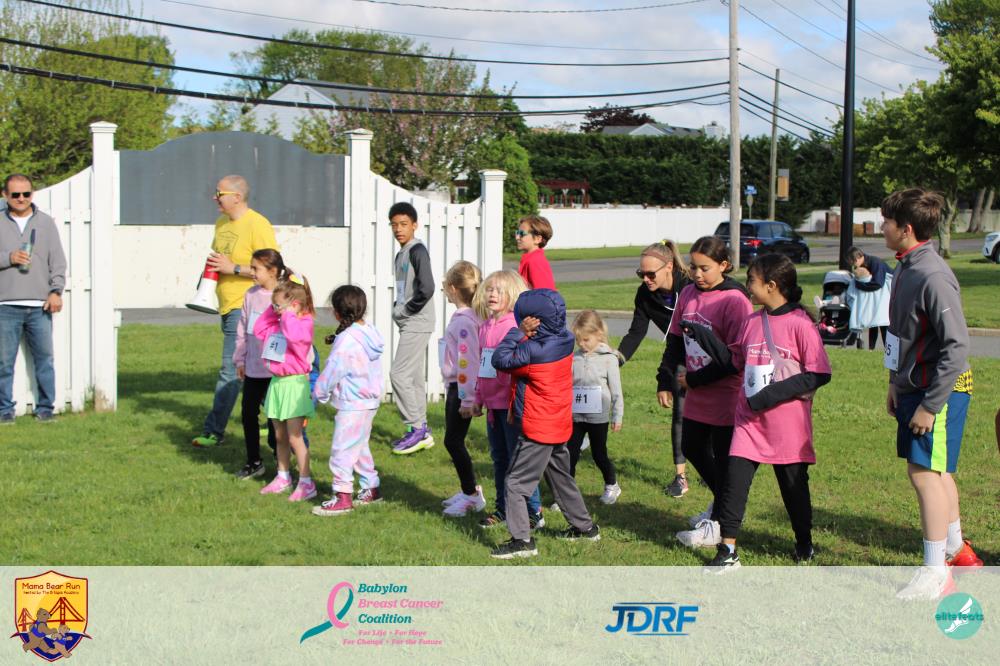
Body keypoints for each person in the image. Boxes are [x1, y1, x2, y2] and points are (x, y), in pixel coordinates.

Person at [881, 189, 982, 600]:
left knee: (923, 474)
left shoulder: (932, 275)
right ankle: (958, 553)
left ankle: (935, 571)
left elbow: (956, 346)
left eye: (887, 221)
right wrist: (894, 381)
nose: (881, 227)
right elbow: (900, 332)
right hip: (914, 386)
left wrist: (929, 405)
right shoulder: (907, 266)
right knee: (937, 472)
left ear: (905, 229)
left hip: (936, 390)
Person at [706, 255, 832, 573]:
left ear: (772, 286)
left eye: (752, 280)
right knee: (733, 484)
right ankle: (727, 549)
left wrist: (772, 394)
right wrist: (704, 339)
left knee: (793, 490)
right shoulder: (751, 322)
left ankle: (804, 542)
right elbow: (734, 362)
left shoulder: (800, 324)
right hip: (748, 422)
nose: (747, 285)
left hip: (787, 427)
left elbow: (819, 373)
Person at [490, 289, 599, 559]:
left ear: (532, 321)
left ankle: (522, 541)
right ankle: (585, 528)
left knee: (515, 483)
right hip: (558, 423)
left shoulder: (531, 351)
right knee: (560, 478)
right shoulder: (566, 339)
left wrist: (518, 332)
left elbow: (500, 359)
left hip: (537, 429)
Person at [664, 236, 753, 549]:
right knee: (691, 445)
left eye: (705, 268)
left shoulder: (735, 300)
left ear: (724, 265)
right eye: (693, 267)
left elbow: (735, 360)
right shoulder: (688, 292)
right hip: (696, 391)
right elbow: (676, 338)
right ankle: (725, 505)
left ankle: (719, 523)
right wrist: (665, 377)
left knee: (726, 462)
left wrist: (696, 379)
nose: (697, 274)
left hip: (726, 394)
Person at [192, 175, 277, 448]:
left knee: (230, 370)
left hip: (249, 307)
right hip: (226, 306)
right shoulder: (221, 223)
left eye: (220, 193)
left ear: (237, 197)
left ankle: (213, 432)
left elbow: (272, 269)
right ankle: (277, 419)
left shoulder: (258, 224)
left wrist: (234, 268)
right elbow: (218, 261)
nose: (215, 197)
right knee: (255, 367)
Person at [471, 270, 543, 530]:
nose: (492, 294)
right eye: (490, 289)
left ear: (512, 295)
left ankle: (533, 511)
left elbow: (520, 364)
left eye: (499, 290)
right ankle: (503, 508)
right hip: (493, 407)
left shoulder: (515, 326)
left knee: (518, 460)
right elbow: (482, 366)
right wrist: (478, 397)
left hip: (512, 406)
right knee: (499, 459)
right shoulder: (484, 327)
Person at [618, 240, 691, 498]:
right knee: (680, 413)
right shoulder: (645, 294)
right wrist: (615, 360)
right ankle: (681, 477)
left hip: (707, 356)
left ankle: (715, 466)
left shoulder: (689, 287)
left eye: (651, 274)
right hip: (678, 355)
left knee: (710, 418)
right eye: (642, 274)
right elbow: (636, 333)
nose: (646, 279)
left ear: (669, 266)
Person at [312, 286, 385, 516]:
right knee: (359, 445)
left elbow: (334, 370)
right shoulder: (369, 332)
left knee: (342, 449)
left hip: (353, 403)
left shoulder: (346, 340)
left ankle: (342, 495)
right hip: (369, 401)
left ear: (336, 312)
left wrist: (319, 393)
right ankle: (370, 487)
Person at [0, 174, 66, 424]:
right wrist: (9, 258)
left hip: (40, 306)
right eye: (15, 194)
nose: (21, 199)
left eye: (26, 194)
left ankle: (46, 409)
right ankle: (4, 411)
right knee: (3, 363)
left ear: (32, 194)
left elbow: (57, 262)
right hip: (5, 305)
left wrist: (56, 291)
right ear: (5, 195)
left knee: (45, 361)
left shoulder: (46, 223)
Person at [253, 273, 316, 502]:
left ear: (295, 305)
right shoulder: (278, 321)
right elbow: (259, 329)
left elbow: (296, 338)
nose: (275, 310)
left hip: (294, 384)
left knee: (294, 437)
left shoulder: (304, 323)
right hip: (278, 383)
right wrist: (276, 309)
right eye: (274, 306)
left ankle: (306, 482)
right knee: (279, 436)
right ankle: (283, 476)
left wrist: (288, 314)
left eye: (278, 306)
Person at [438, 261, 488, 517]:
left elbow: (468, 362)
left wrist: (468, 399)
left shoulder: (464, 322)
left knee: (453, 441)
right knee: (453, 440)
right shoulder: (469, 317)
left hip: (461, 388)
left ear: (453, 289)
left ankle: (471, 495)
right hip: (458, 386)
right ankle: (468, 490)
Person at [232, 249, 285, 479]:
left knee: (276, 419)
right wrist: (240, 359)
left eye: (256, 268)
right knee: (248, 414)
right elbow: (243, 329)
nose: (251, 272)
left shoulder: (285, 294)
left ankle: (281, 461)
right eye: (251, 267)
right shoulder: (251, 295)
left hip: (276, 371)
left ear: (272, 271)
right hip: (253, 368)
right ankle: (254, 461)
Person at [388, 201, 436, 455]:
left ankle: (416, 428)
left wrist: (406, 310)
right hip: (409, 321)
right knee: (414, 377)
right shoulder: (401, 253)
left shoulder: (417, 251)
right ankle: (421, 430)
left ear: (414, 225)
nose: (398, 229)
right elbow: (404, 288)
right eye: (394, 224)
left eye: (404, 224)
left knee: (399, 374)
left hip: (417, 320)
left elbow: (427, 288)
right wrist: (398, 307)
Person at [568, 310, 623, 504]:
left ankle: (612, 484)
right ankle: (567, 494)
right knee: (570, 454)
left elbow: (616, 391)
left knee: (599, 454)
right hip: (576, 417)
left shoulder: (609, 359)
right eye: (578, 340)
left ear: (598, 334)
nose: (582, 344)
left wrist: (617, 416)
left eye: (586, 340)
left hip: (598, 418)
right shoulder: (573, 358)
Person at [845, 245, 892, 350]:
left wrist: (859, 285)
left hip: (887, 294)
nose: (852, 265)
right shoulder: (862, 265)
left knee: (883, 323)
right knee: (872, 322)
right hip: (877, 297)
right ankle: (871, 348)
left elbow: (878, 283)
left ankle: (888, 349)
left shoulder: (876, 263)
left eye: (852, 262)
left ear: (857, 258)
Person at [516, 215, 556, 290]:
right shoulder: (530, 259)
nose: (517, 237)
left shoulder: (535, 261)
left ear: (537, 239)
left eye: (522, 233)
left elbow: (544, 294)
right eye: (517, 233)